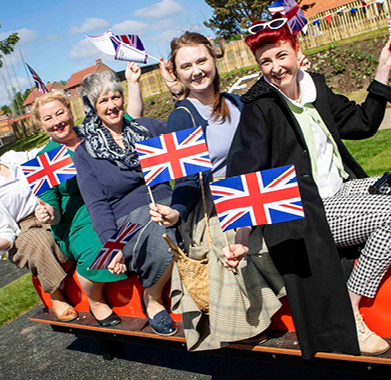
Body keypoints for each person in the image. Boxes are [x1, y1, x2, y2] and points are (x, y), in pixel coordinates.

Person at [225, 16, 391, 358]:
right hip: (306, 211)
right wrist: (240, 240)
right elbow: (243, 175)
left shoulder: (314, 87)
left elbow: (363, 124)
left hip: (341, 190)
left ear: (296, 50)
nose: (275, 67)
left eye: (281, 56)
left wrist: (383, 70)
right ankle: (350, 307)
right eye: (265, 62)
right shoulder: (259, 107)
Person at [148, 31, 286, 350]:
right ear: (177, 72)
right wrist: (176, 212)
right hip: (211, 202)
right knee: (235, 244)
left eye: (201, 60)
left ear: (214, 59)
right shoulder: (181, 117)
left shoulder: (237, 102)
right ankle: (243, 322)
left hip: (252, 189)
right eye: (186, 66)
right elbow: (185, 181)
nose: (196, 71)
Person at [29, 62, 145, 327]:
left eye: (60, 113)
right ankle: (93, 296)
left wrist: (133, 83)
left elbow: (132, 120)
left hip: (113, 203)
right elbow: (54, 213)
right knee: (102, 247)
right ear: (41, 124)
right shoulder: (44, 159)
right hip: (77, 220)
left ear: (70, 112)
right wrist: (47, 213)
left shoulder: (93, 133)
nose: (57, 122)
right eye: (48, 119)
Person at [73, 69, 177, 337]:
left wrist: (177, 91)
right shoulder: (86, 153)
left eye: (116, 97)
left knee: (184, 220)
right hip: (127, 222)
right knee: (163, 231)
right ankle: (152, 298)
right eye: (103, 101)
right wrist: (111, 246)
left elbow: (185, 132)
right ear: (93, 108)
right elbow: (97, 205)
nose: (112, 105)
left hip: (167, 203)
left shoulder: (147, 129)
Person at [0, 121, 77, 322]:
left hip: (48, 206)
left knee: (79, 215)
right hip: (25, 229)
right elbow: (5, 231)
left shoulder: (12, 159)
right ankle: (57, 295)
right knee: (40, 242)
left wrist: (57, 130)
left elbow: (40, 153)